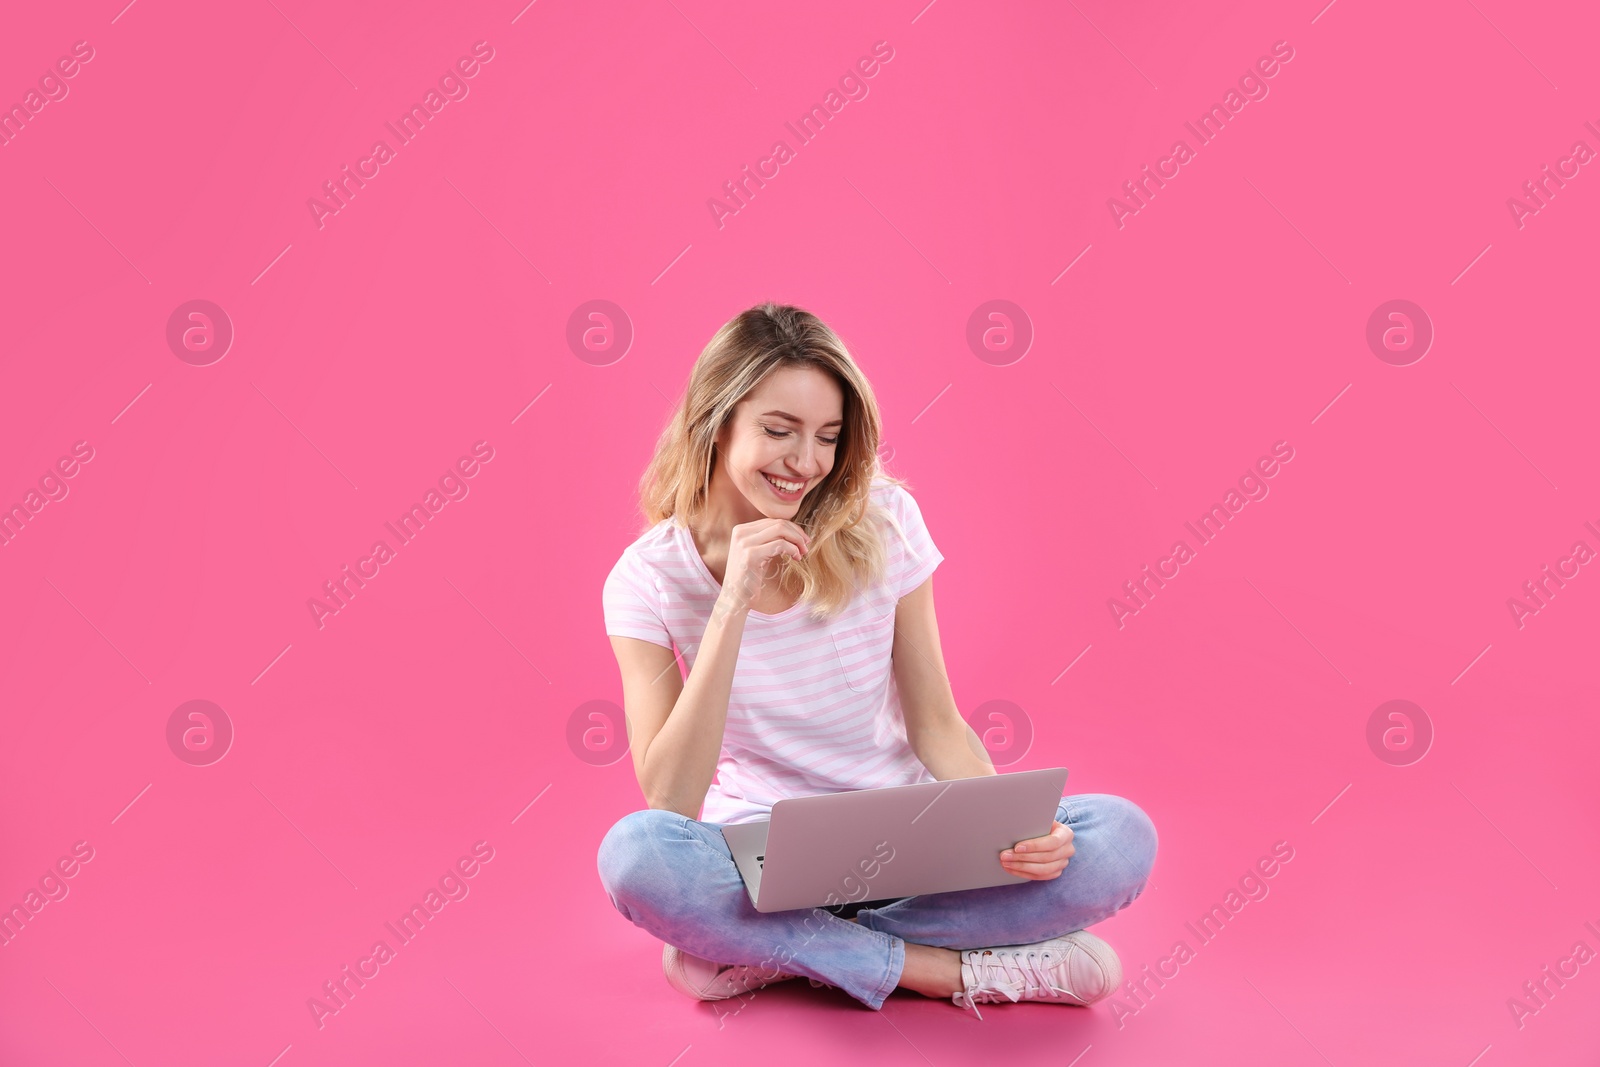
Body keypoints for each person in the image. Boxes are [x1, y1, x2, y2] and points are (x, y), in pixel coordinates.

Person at [596, 302, 1157, 1016]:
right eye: (779, 430)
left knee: (1121, 836)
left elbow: (936, 725)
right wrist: (732, 601)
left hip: (912, 843)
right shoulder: (644, 578)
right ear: (716, 419)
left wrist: (1007, 828)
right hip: (758, 862)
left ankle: (769, 953)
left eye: (828, 437)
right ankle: (946, 970)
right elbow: (670, 798)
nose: (806, 464)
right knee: (636, 855)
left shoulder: (884, 519)